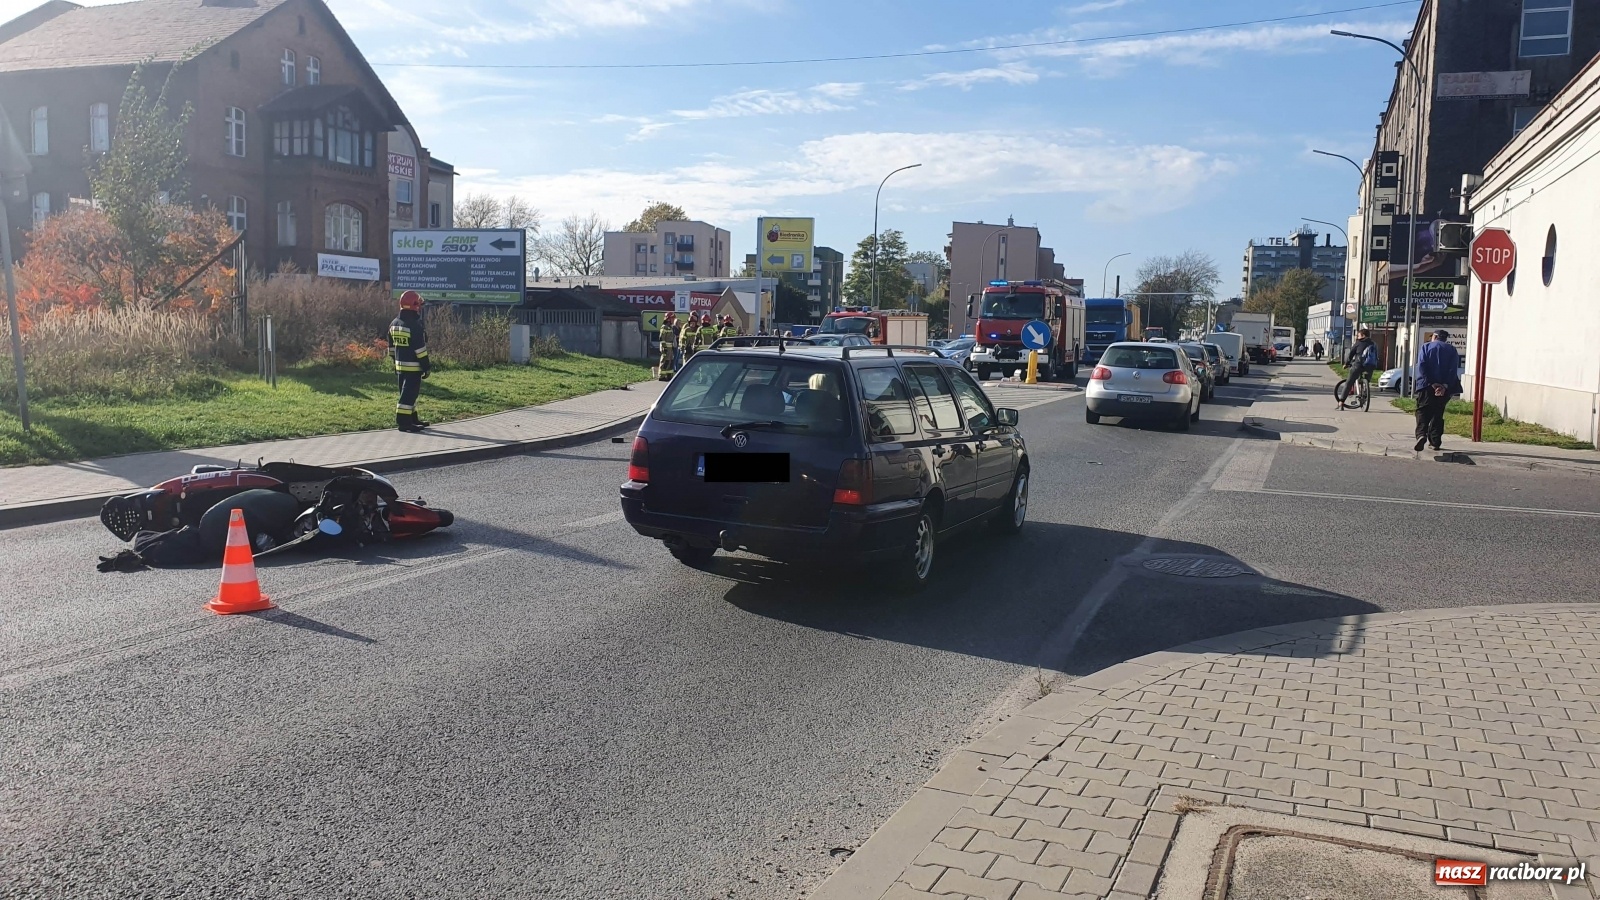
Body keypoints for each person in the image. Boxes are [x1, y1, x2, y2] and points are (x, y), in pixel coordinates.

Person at [388, 290, 430, 432]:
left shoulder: (394, 323)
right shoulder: (415, 325)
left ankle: (413, 419)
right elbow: (420, 350)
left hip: (400, 367)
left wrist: (395, 362)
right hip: (413, 368)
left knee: (408, 394)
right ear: (415, 305)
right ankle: (404, 423)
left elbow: (391, 348)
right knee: (408, 396)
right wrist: (426, 367)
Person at [1414, 330, 1463, 452]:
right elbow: (1453, 369)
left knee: (1423, 411)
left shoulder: (1426, 347)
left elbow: (1422, 366)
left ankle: (1421, 435)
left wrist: (1431, 383)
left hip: (1426, 386)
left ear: (1435, 337)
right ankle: (1435, 441)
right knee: (1438, 413)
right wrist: (1444, 385)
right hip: (1445, 388)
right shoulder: (1452, 350)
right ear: (1445, 339)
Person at [1342, 328, 1379, 405]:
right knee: (1367, 381)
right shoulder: (1374, 343)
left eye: (1358, 335)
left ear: (1363, 335)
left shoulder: (1359, 343)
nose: (1357, 337)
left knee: (1349, 383)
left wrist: (1346, 363)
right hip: (1370, 366)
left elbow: (1351, 354)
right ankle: (1365, 394)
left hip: (1358, 365)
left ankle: (1341, 401)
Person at [657, 311, 678, 381]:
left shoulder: (670, 327)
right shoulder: (664, 327)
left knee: (670, 361)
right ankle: (661, 376)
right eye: (672, 318)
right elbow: (661, 338)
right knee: (664, 361)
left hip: (670, 347)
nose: (673, 320)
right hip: (666, 347)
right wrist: (664, 347)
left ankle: (669, 375)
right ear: (668, 319)